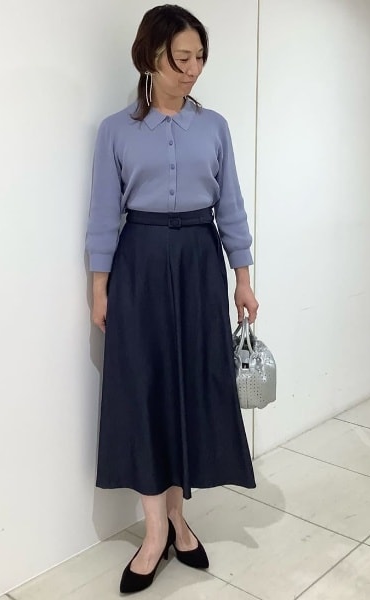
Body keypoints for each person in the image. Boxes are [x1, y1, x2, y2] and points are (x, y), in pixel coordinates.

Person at [85, 4, 259, 594]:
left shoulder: (214, 127)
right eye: (181, 58)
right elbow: (103, 214)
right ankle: (155, 530)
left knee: (190, 385)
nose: (193, 70)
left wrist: (243, 277)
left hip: (198, 261)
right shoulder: (115, 131)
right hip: (138, 261)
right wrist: (99, 286)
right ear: (149, 58)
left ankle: (180, 519)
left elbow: (230, 205)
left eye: (199, 57)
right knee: (144, 389)